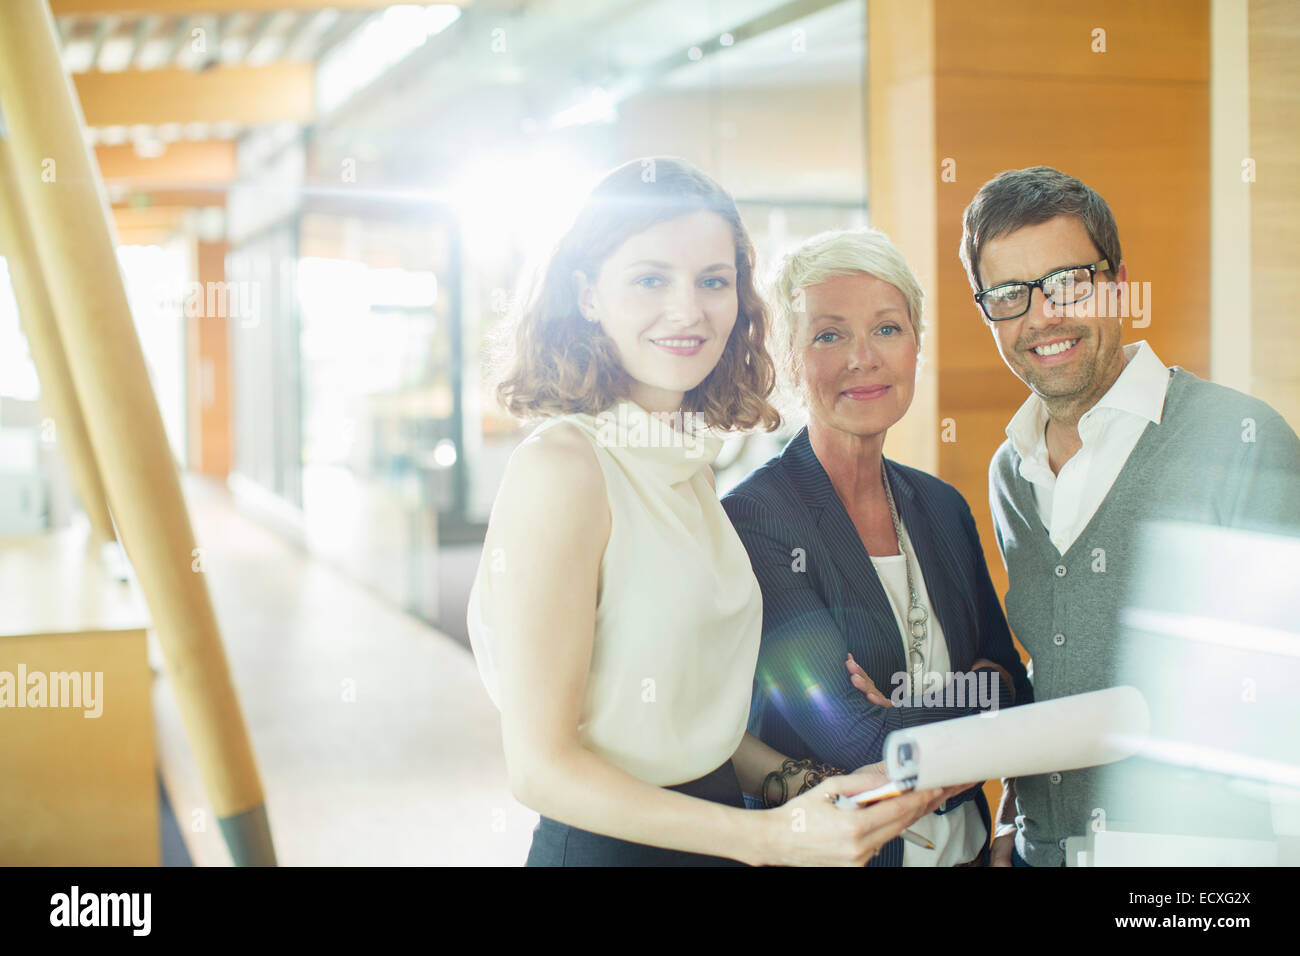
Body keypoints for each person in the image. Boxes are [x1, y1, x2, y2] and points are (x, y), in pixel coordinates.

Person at [466, 157, 949, 867]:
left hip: (715, 835)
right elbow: (541, 768)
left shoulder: (683, 467)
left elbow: (677, 724)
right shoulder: (565, 469)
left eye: (713, 281)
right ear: (588, 294)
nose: (688, 309)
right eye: (651, 279)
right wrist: (767, 838)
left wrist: (800, 784)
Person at [961, 165, 1300, 867]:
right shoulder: (1010, 474)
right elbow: (1052, 659)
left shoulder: (1241, 440)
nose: (1043, 316)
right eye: (1008, 294)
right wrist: (1014, 814)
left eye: (1069, 283)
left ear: (1118, 283)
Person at [720, 227, 1032, 867]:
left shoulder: (941, 506)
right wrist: (970, 701)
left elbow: (1017, 693)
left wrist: (908, 706)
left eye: (888, 329)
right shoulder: (756, 519)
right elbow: (861, 742)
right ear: (788, 356)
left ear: (916, 344)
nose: (863, 358)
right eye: (829, 335)